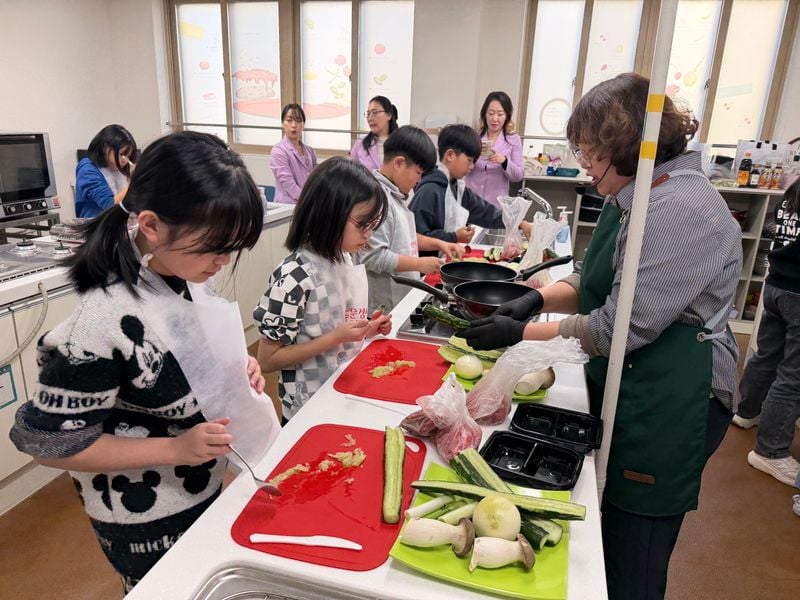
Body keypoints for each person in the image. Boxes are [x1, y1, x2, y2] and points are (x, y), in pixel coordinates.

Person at [462, 73, 742, 600]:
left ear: (627, 146)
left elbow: (616, 327)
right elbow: (598, 272)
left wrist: (520, 330)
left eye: (592, 156)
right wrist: (537, 297)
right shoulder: (635, 192)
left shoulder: (680, 211)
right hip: (637, 380)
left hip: (674, 397)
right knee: (607, 530)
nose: (587, 170)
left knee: (634, 550)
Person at [10, 131, 279, 592]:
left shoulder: (177, 275)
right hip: (145, 516)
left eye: (232, 249)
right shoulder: (98, 325)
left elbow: (189, 361)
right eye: (215, 247)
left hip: (200, 488)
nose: (223, 261)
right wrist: (175, 450)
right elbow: (48, 445)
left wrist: (237, 369)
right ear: (151, 225)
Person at [254, 157, 393, 422]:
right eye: (362, 225)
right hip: (306, 406)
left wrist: (366, 328)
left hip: (343, 387)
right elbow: (268, 359)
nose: (368, 235)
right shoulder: (294, 276)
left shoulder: (344, 258)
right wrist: (336, 337)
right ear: (328, 214)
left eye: (373, 225)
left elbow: (337, 320)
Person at [735, 179, 800, 487]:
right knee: (793, 377)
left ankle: (747, 411)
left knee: (767, 356)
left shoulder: (790, 196)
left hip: (775, 287)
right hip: (798, 293)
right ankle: (770, 451)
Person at [357, 125, 464, 311]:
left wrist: (439, 244)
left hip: (401, 298)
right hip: (384, 305)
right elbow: (373, 257)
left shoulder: (397, 193)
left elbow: (403, 237)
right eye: (418, 173)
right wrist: (420, 264)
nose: (419, 180)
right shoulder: (377, 200)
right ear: (398, 163)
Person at [410, 123, 531, 247]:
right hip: (428, 263)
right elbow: (415, 237)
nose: (472, 166)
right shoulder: (429, 190)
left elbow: (486, 212)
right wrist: (454, 236)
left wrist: (519, 222)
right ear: (450, 155)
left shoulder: (457, 188)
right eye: (469, 160)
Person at [464, 91, 525, 208]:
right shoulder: (474, 136)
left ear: (507, 116)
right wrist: (473, 156)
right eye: (491, 113)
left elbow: (518, 176)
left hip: (496, 207)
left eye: (500, 114)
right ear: (484, 114)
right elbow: (461, 169)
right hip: (471, 203)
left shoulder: (513, 140)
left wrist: (504, 161)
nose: (495, 118)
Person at [75, 124, 138, 218]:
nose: (125, 160)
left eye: (128, 156)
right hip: (97, 228)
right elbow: (109, 205)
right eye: (122, 154)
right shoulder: (87, 169)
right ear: (105, 147)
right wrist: (135, 181)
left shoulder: (119, 167)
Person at [270, 103, 318, 204]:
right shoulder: (278, 150)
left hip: (306, 205)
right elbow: (288, 183)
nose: (294, 125)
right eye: (289, 120)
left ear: (303, 125)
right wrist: (309, 201)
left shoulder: (310, 151)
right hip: (287, 206)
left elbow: (316, 179)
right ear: (282, 123)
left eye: (298, 120)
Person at [351, 95, 398, 171]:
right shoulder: (360, 145)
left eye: (375, 112)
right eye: (368, 114)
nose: (370, 118)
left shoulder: (402, 143)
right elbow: (352, 174)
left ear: (389, 115)